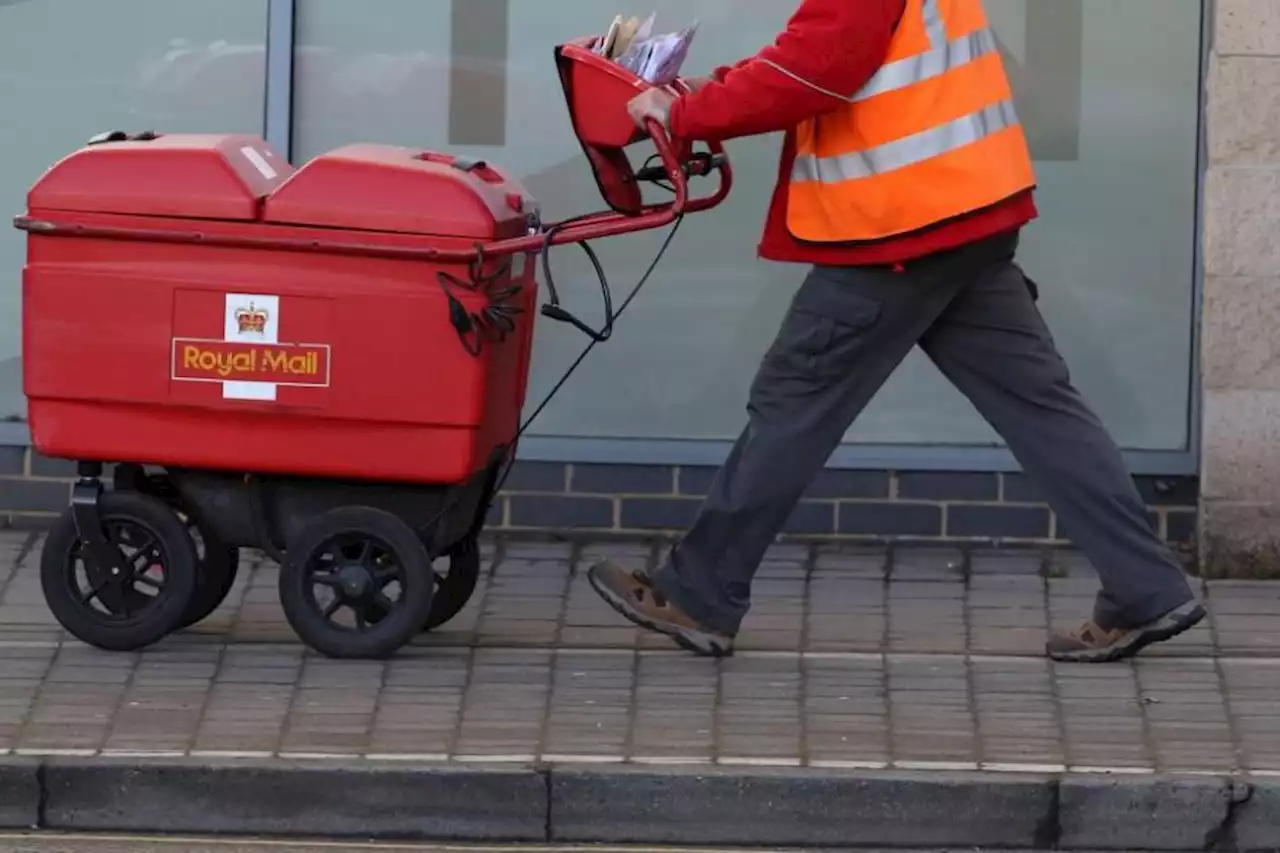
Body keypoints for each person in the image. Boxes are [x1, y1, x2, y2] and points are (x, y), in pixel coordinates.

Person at [586, 0, 1205, 664]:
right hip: (968, 210)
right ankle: (1145, 586)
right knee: (1043, 409)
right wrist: (706, 89)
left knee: (793, 400)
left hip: (899, 229)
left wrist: (681, 115)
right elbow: (821, 52)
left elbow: (811, 72)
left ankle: (700, 590)